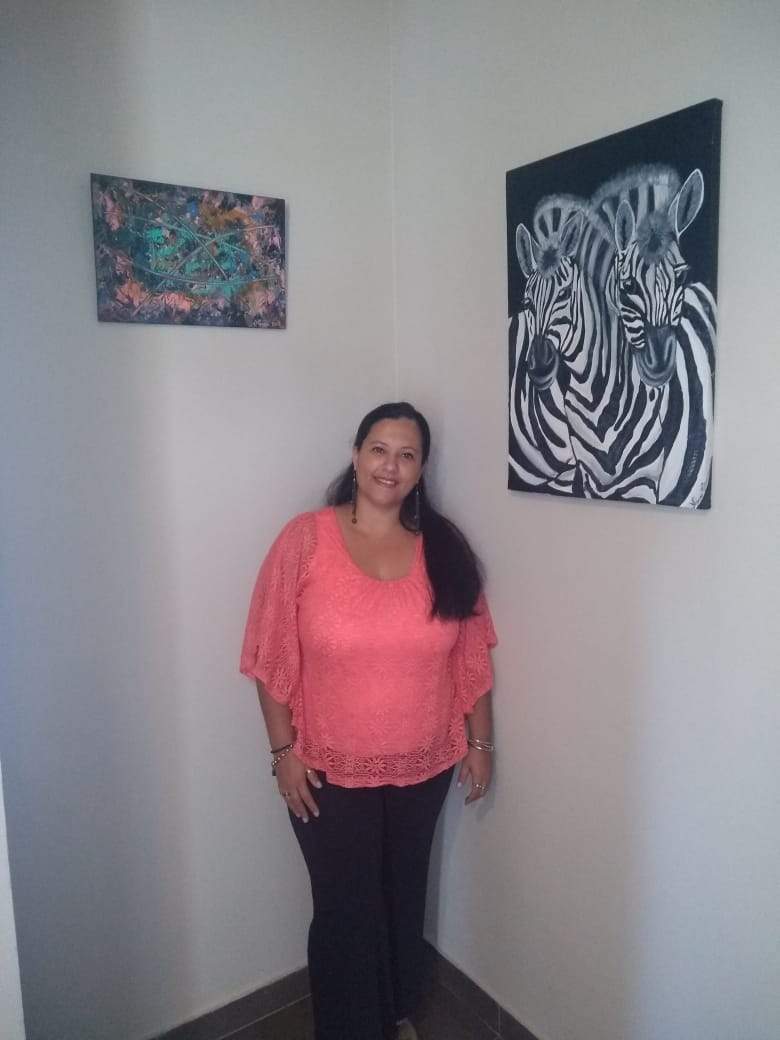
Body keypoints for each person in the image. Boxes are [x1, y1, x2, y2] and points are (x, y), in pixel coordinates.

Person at [240, 401, 497, 1040]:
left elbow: (470, 655)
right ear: (356, 455)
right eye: (379, 449)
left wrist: (481, 742)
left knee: (402, 898)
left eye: (407, 455)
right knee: (345, 911)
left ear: (421, 469)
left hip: (424, 765)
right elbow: (270, 653)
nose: (391, 465)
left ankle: (395, 1013)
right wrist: (283, 754)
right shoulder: (304, 540)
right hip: (325, 770)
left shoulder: (444, 549)